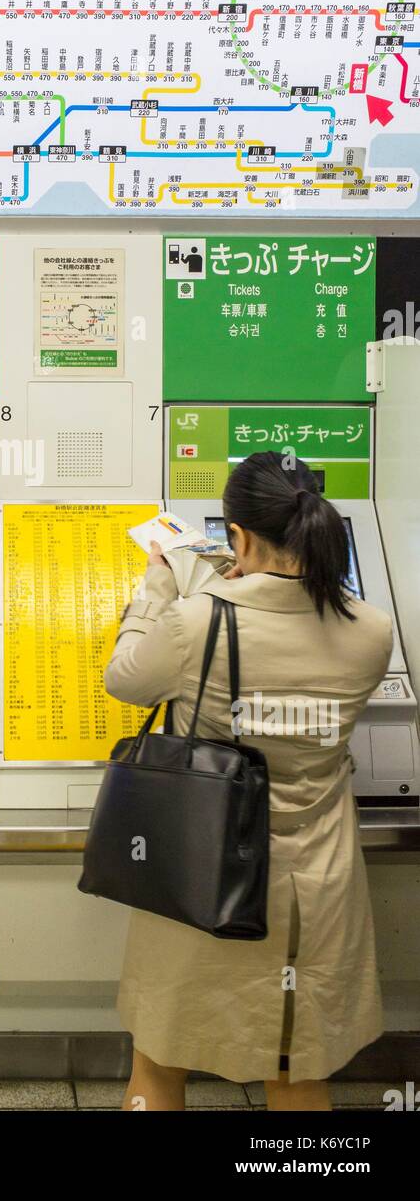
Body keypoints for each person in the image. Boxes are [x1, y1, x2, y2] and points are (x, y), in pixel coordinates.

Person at [104, 452, 393, 1112]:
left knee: (159, 1063)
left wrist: (158, 587)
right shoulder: (371, 632)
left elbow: (124, 679)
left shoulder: (197, 621)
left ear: (236, 536)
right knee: (296, 1069)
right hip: (315, 888)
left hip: (203, 869)